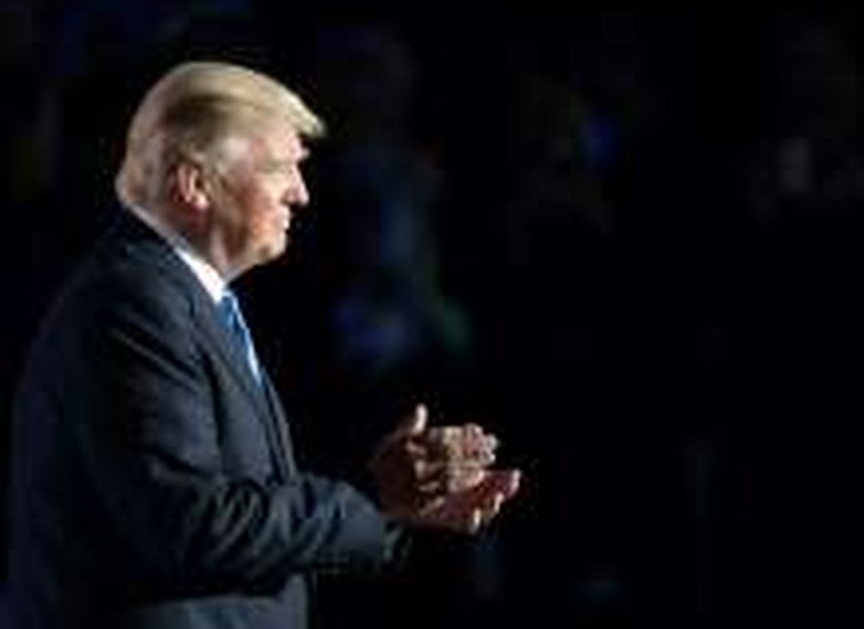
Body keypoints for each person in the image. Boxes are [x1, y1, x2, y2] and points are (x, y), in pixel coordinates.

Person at [5, 61, 521, 628]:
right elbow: (195, 526)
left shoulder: (185, 299)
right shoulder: (135, 304)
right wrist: (373, 500)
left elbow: (240, 524)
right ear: (195, 184)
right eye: (280, 169)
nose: (300, 194)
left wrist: (387, 511)